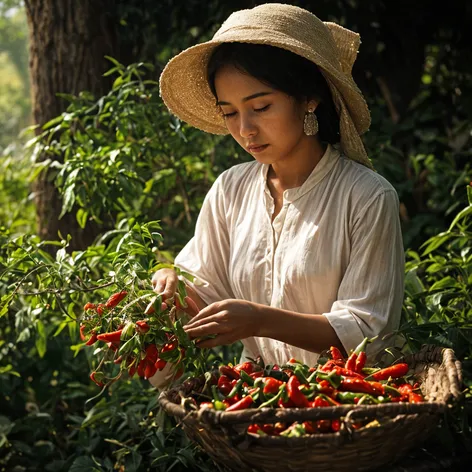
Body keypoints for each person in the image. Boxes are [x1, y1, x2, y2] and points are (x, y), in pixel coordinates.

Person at [148, 3, 405, 388]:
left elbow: (367, 330)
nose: (245, 129)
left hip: (348, 402)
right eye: (230, 113)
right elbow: (201, 289)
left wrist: (260, 319)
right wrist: (171, 284)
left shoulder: (366, 197)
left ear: (309, 99)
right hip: (257, 399)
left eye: (261, 106)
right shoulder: (231, 191)